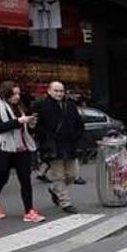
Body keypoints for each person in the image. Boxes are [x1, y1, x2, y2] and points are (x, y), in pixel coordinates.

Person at [0, 81, 45, 223]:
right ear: (5, 94)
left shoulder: (19, 106)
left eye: (18, 93)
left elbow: (23, 127)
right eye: (14, 94)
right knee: (1, 178)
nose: (17, 96)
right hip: (4, 148)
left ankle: (29, 210)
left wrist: (30, 124)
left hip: (21, 147)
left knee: (25, 179)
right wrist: (19, 121)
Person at [35, 81, 84, 214]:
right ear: (49, 91)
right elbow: (38, 128)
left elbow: (79, 124)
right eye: (56, 91)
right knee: (59, 176)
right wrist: (46, 141)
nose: (59, 93)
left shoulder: (70, 105)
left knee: (73, 175)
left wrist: (77, 138)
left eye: (61, 91)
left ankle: (53, 189)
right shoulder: (42, 106)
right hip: (53, 146)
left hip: (70, 145)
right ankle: (65, 202)